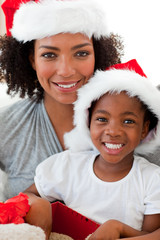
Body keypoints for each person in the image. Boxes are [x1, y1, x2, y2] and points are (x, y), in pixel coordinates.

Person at [0, 0, 123, 201]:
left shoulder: (135, 118)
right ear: (32, 60)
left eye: (81, 53)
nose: (66, 70)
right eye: (49, 55)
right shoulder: (6, 125)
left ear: (97, 55)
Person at [24, 59, 160, 239]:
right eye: (102, 119)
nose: (113, 131)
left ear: (144, 129)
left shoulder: (151, 179)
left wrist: (117, 228)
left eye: (128, 121)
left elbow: (152, 235)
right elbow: (26, 196)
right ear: (88, 121)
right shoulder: (68, 165)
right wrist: (38, 205)